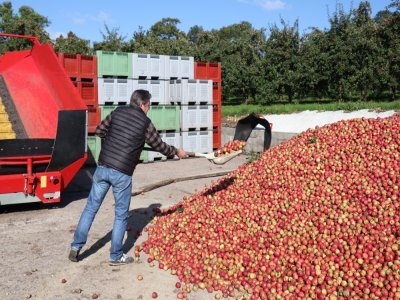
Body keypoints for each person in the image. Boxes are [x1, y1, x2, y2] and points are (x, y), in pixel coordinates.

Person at [69, 89, 187, 266]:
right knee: (121, 215)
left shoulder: (117, 112)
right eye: (149, 105)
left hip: (102, 167)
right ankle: (115, 256)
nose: (149, 109)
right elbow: (159, 146)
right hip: (122, 173)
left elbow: (100, 131)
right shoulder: (145, 123)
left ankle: (76, 247)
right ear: (142, 104)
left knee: (90, 208)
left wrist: (112, 141)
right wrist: (176, 151)